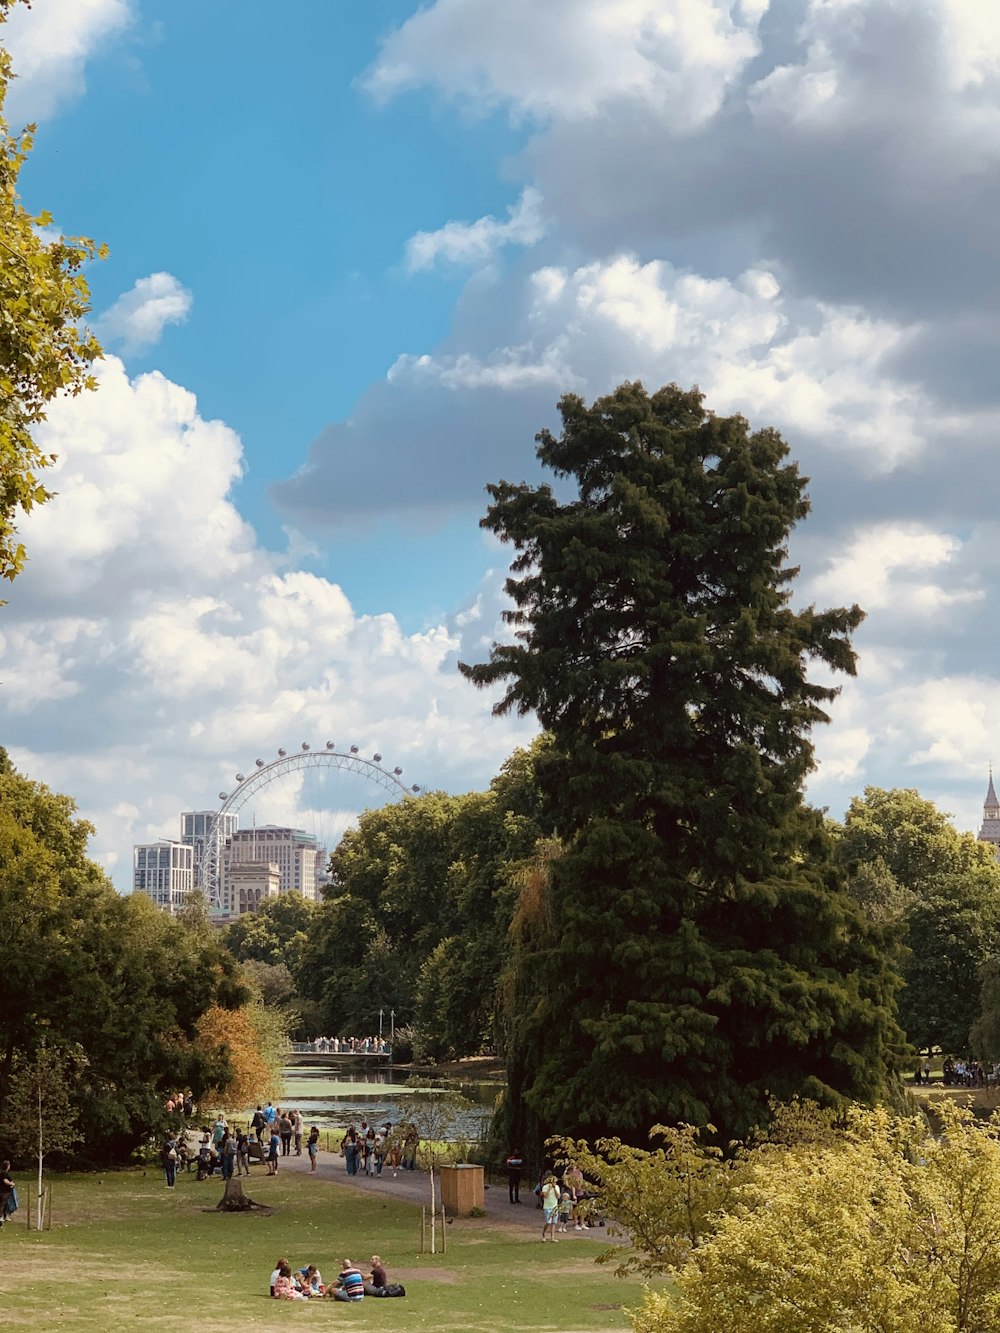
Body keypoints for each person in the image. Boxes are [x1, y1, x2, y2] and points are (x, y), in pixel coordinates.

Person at [541, 1174, 560, 1241]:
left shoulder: (557, 1187)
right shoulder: (545, 1187)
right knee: (548, 1222)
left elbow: (558, 1196)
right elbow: (545, 1196)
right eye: (553, 1182)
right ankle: (544, 1233)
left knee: (554, 1222)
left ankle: (552, 1237)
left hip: (554, 1206)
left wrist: (554, 1188)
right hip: (547, 1207)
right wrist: (549, 1188)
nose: (554, 1183)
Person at [0, 1160, 16, 1226]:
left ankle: (6, 1216)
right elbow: (5, 1181)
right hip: (4, 1191)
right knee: (2, 1204)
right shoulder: (4, 1174)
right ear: (7, 1166)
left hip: (5, 1190)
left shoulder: (4, 1173)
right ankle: (0, 1216)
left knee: (6, 1204)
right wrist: (11, 1183)